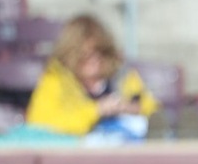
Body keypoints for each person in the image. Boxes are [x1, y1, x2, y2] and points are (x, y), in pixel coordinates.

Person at [25, 14, 160, 138]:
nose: (94, 59)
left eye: (100, 51)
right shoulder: (55, 80)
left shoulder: (122, 76)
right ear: (70, 53)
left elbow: (151, 108)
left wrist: (132, 108)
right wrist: (96, 111)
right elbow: (39, 123)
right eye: (85, 54)